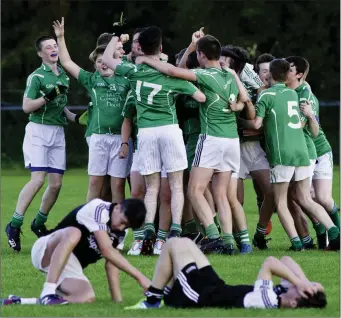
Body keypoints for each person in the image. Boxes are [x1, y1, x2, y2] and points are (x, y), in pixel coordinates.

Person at [136, 29, 249, 254]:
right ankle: (228, 242)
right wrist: (236, 105)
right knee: (221, 194)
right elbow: (244, 99)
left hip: (212, 138)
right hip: (232, 141)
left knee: (194, 191)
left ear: (202, 55)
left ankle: (214, 236)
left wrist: (145, 59)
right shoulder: (228, 74)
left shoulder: (205, 75)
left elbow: (172, 70)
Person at [102, 26, 206, 254]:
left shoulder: (133, 71)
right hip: (169, 130)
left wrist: (116, 37)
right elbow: (200, 96)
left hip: (146, 133)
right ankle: (175, 231)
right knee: (177, 185)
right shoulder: (170, 75)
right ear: (160, 48)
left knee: (152, 188)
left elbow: (108, 58)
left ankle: (148, 228)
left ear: (140, 48)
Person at [241, 59, 340, 251]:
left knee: (281, 201)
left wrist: (241, 122)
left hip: (282, 152)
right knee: (305, 198)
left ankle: (297, 243)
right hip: (302, 151)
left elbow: (257, 124)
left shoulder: (266, 95)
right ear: (288, 75)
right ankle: (334, 231)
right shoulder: (296, 94)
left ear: (270, 74)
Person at [3, 198, 150, 305]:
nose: (121, 228)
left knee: (86, 297)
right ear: (117, 207)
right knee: (74, 233)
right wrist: (141, 278)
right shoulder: (99, 208)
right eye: (123, 221)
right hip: (46, 249)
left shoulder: (120, 234)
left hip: (68, 265)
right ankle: (48, 291)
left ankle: (21, 301)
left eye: (127, 226)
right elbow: (106, 251)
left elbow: (111, 264)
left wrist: (117, 301)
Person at [53, 18, 133, 205]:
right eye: (99, 61)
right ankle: (89, 225)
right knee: (95, 183)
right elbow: (66, 61)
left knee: (118, 186)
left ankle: (118, 230)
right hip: (98, 138)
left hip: (120, 140)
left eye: (105, 60)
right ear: (96, 63)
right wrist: (61, 37)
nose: (103, 64)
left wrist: (120, 41)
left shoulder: (126, 78)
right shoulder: (91, 80)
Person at [126, 238, 326, 310]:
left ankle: (153, 300)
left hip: (199, 296)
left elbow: (270, 263)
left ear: (294, 302)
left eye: (306, 290)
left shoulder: (267, 301)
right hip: (214, 285)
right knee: (186, 243)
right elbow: (286, 261)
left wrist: (299, 283)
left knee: (172, 245)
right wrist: (304, 282)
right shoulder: (282, 292)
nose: (300, 286)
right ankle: (164, 297)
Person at [5, 35, 70, 252]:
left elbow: (61, 104)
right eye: (48, 47)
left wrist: (74, 117)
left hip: (58, 131)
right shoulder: (36, 77)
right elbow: (26, 107)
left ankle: (39, 224)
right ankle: (13, 225)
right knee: (37, 180)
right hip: (38, 132)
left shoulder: (64, 75)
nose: (53, 49)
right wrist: (46, 98)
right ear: (40, 54)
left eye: (55, 45)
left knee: (56, 184)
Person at [286, 56, 340, 249]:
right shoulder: (294, 90)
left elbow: (314, 130)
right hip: (305, 152)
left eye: (289, 69)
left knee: (321, 198)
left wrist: (308, 116)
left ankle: (336, 234)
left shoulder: (304, 96)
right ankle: (325, 235)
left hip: (319, 151)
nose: (285, 72)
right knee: (300, 196)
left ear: (299, 75)